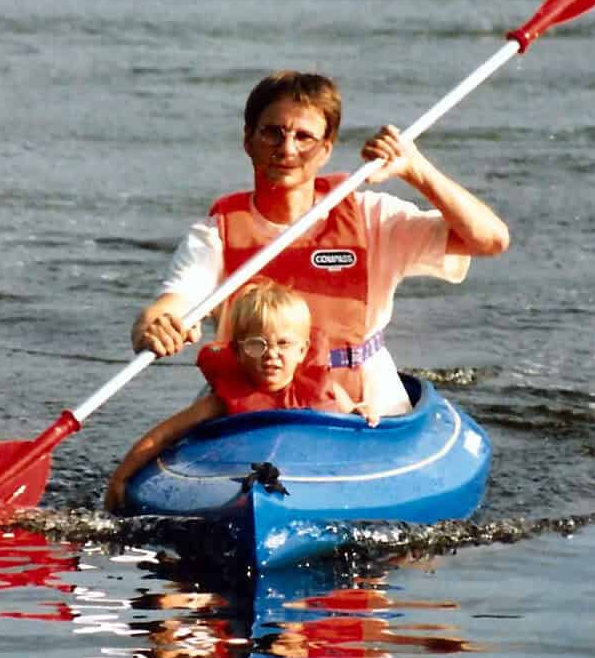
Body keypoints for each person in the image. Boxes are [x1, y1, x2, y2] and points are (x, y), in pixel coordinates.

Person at [132, 71, 509, 417]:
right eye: (272, 132)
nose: (287, 149)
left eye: (304, 137)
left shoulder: (371, 216)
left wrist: (417, 171)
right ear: (248, 140)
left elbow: (490, 240)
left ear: (326, 149)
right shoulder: (216, 234)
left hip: (362, 402)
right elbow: (170, 304)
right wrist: (155, 327)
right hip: (251, 402)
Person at [105, 280, 376, 512]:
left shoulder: (322, 388)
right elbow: (163, 435)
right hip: (237, 472)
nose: (271, 354)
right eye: (257, 345)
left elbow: (349, 417)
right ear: (237, 352)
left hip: (300, 470)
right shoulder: (223, 400)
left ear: (303, 351)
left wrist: (360, 412)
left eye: (283, 344)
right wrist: (121, 478)